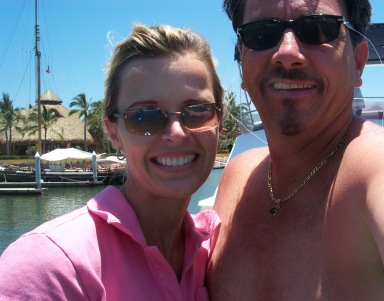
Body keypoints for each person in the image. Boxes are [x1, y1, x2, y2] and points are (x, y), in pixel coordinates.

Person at [207, 0, 384, 300]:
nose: (286, 53)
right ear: (242, 65)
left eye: (318, 29)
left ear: (358, 61)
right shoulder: (236, 175)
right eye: (261, 33)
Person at [0, 24, 223, 300]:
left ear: (219, 123)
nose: (176, 133)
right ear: (113, 132)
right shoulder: (49, 267)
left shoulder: (214, 253)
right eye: (144, 117)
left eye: (197, 110)